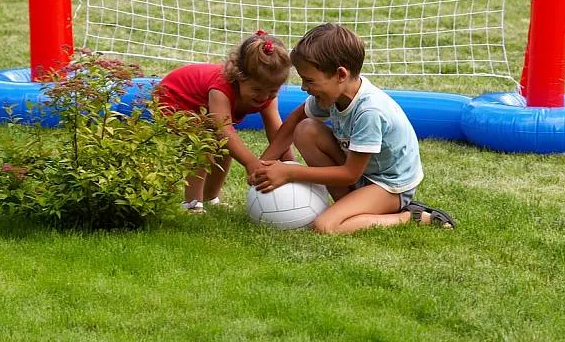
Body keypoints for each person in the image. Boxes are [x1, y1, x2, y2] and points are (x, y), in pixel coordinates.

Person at [250, 23, 454, 234]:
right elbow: (293, 122)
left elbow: (350, 174)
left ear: (340, 75)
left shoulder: (370, 112)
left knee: (325, 226)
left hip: (388, 186)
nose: (303, 88)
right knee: (306, 129)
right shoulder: (333, 95)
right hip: (362, 175)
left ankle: (410, 216)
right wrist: (262, 164)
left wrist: (291, 172)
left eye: (308, 80)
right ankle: (354, 206)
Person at [156, 30, 293, 213]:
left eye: (272, 91)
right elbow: (224, 130)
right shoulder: (221, 88)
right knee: (204, 144)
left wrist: (290, 165)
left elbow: (277, 131)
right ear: (239, 77)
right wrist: (251, 162)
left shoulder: (267, 95)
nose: (264, 96)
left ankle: (211, 197)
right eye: (257, 89)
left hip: (201, 107)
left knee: (225, 147)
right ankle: (192, 203)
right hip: (174, 98)